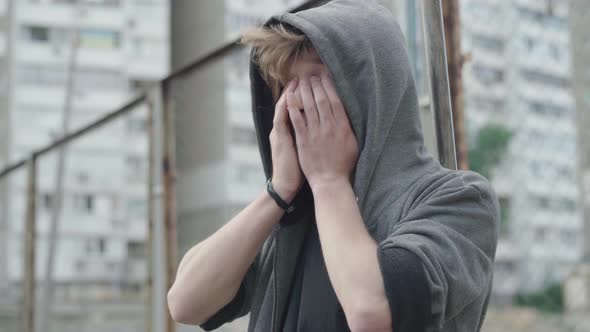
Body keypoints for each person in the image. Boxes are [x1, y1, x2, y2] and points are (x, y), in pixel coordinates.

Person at [167, 1, 499, 331]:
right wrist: (277, 193)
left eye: (314, 84)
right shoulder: (293, 217)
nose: (295, 104)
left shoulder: (460, 200)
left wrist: (328, 180)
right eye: (286, 87)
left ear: (369, 89)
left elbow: (372, 312)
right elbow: (186, 302)